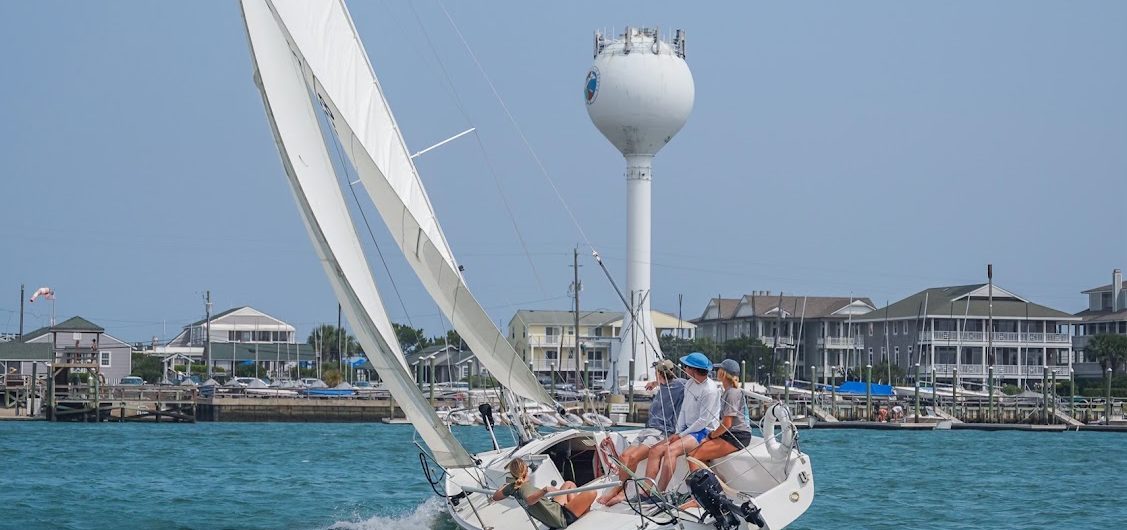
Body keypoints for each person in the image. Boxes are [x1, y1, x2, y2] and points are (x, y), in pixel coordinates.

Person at [596, 359, 686, 506]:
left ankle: (619, 492)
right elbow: (664, 380)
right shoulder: (662, 384)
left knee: (634, 457)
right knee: (625, 456)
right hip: (647, 429)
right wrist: (655, 383)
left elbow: (692, 383)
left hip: (661, 432)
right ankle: (622, 489)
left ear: (659, 373)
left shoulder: (679, 385)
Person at [652, 352, 721, 493]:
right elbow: (683, 410)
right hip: (688, 430)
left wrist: (682, 434)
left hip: (703, 431)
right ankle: (646, 492)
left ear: (693, 370)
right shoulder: (690, 383)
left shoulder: (710, 390)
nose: (684, 369)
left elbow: (703, 420)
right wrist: (678, 432)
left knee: (671, 450)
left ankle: (660, 492)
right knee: (656, 449)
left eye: (686, 366)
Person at [686, 359, 752, 473]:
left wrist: (710, 436)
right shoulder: (729, 391)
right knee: (699, 453)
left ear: (723, 373)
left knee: (693, 456)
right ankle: (712, 485)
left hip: (737, 436)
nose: (717, 372)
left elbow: (727, 424)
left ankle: (699, 490)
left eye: (719, 369)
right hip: (732, 434)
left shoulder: (732, 393)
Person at [493, 458, 597, 529]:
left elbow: (496, 497)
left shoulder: (512, 487)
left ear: (512, 473)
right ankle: (578, 513)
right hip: (561, 518)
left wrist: (504, 486)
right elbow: (529, 500)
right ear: (526, 471)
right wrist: (545, 490)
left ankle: (575, 508)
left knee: (568, 484)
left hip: (554, 509)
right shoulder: (525, 487)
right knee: (592, 492)